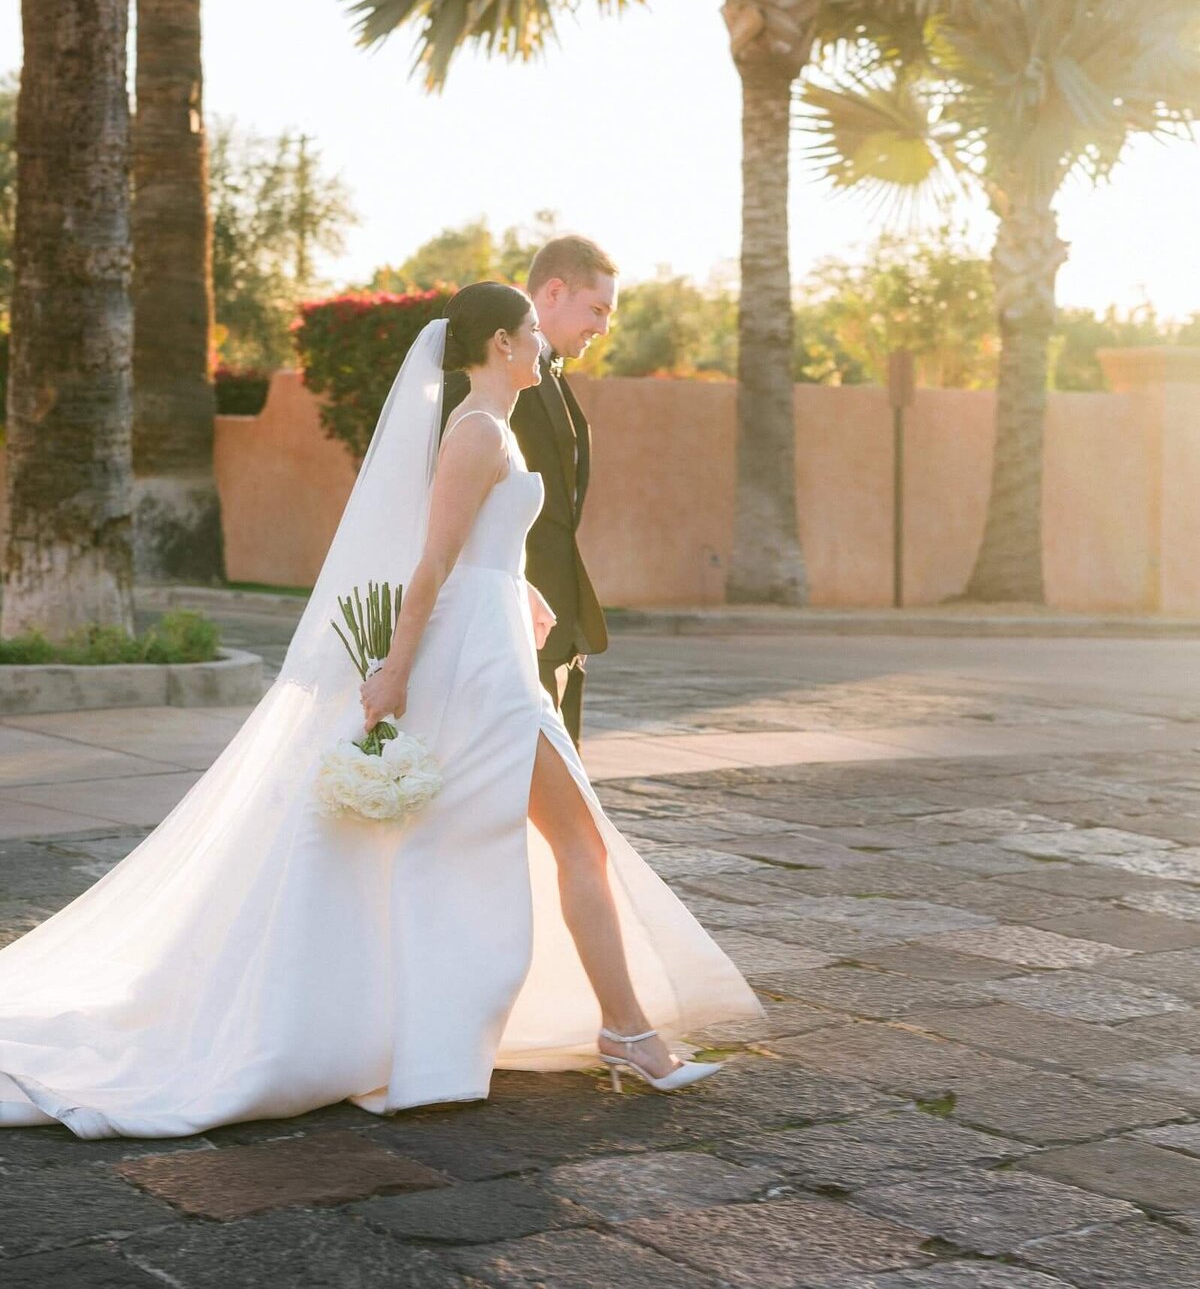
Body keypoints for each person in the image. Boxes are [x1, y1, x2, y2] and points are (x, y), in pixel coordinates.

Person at [0, 283, 765, 1140]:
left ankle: (601, 1027)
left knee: (541, 839)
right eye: (533, 336)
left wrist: (525, 595)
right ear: (504, 343)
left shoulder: (494, 430)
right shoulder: (477, 433)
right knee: (570, 838)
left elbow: (479, 552)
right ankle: (623, 1032)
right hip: (479, 668)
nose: (546, 348)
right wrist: (396, 667)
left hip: (498, 645)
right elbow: (430, 561)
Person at [441, 236, 615, 748]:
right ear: (555, 291)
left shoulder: (550, 379)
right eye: (597, 309)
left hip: (557, 626)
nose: (603, 328)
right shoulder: (473, 390)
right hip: (503, 630)